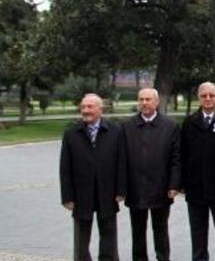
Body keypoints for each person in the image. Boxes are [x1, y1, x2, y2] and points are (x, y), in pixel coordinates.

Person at [59, 93, 126, 261]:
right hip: (81, 194)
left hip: (107, 192)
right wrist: (67, 196)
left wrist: (121, 189)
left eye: (90, 107)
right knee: (81, 239)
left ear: (100, 109)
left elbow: (121, 163)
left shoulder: (115, 132)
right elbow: (65, 168)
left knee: (109, 236)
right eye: (83, 107)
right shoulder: (71, 134)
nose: (85, 110)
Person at [122, 88, 181, 261]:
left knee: (160, 229)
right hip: (135, 187)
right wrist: (122, 187)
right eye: (141, 99)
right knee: (137, 230)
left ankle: (163, 257)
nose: (144, 103)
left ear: (156, 102)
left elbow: (176, 158)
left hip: (161, 187)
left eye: (148, 99)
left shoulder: (170, 126)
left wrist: (174, 184)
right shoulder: (127, 126)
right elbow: (122, 159)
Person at [181, 82, 215, 261]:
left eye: (212, 95)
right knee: (198, 231)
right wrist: (182, 182)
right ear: (199, 98)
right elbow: (183, 153)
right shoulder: (190, 122)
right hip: (195, 188)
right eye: (204, 96)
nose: (208, 99)